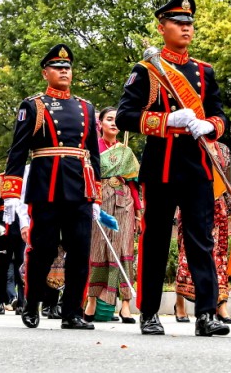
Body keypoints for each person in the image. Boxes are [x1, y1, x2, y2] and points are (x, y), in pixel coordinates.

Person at [116, 0, 229, 337]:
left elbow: (220, 115)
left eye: (189, 23)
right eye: (179, 23)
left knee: (201, 239)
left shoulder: (203, 71)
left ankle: (206, 314)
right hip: (162, 165)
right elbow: (125, 116)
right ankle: (149, 311)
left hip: (197, 167)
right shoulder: (148, 70)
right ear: (162, 27)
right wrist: (167, 120)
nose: (186, 29)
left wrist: (210, 125)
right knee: (154, 240)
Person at [1, 43, 101, 330]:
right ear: (46, 72)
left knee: (80, 251)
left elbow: (93, 154)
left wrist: (96, 195)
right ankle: (31, 304)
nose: (64, 71)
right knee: (42, 251)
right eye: (58, 67)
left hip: (80, 188)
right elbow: (18, 151)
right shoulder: (34, 105)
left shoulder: (86, 107)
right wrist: (11, 193)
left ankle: (72, 312)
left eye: (67, 67)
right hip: (47, 186)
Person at [85, 107, 142, 324]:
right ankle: (92, 301)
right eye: (109, 119)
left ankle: (126, 305)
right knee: (99, 248)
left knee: (124, 250)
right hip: (100, 201)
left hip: (124, 201)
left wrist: (139, 212)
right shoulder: (91, 148)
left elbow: (134, 185)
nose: (114, 123)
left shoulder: (126, 151)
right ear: (99, 123)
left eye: (117, 120)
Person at [175, 142, 231, 324]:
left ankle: (221, 304)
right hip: (191, 202)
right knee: (186, 254)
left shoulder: (224, 148)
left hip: (218, 205)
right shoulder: (189, 141)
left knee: (218, 256)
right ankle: (180, 303)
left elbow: (225, 180)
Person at [0, 171, 26, 315]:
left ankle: (22, 302)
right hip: (3, 228)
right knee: (1, 266)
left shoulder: (26, 175)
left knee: (22, 267)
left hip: (21, 225)